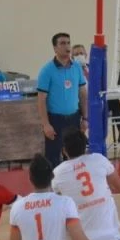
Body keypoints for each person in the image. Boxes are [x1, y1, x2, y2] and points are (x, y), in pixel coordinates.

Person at [37, 33, 88, 169]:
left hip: (74, 118)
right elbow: (41, 100)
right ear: (55, 48)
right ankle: (53, 181)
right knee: (53, 158)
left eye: (68, 43)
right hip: (55, 120)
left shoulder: (77, 67)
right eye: (63, 43)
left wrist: (85, 118)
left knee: (75, 157)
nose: (67, 46)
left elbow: (83, 93)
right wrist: (46, 124)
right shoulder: (47, 70)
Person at [72, 44, 120, 145]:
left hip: (97, 98)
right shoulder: (71, 71)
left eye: (81, 53)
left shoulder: (92, 68)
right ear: (72, 57)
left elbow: (100, 83)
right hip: (82, 101)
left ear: (86, 55)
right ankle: (82, 135)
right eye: (76, 54)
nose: (79, 56)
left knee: (114, 101)